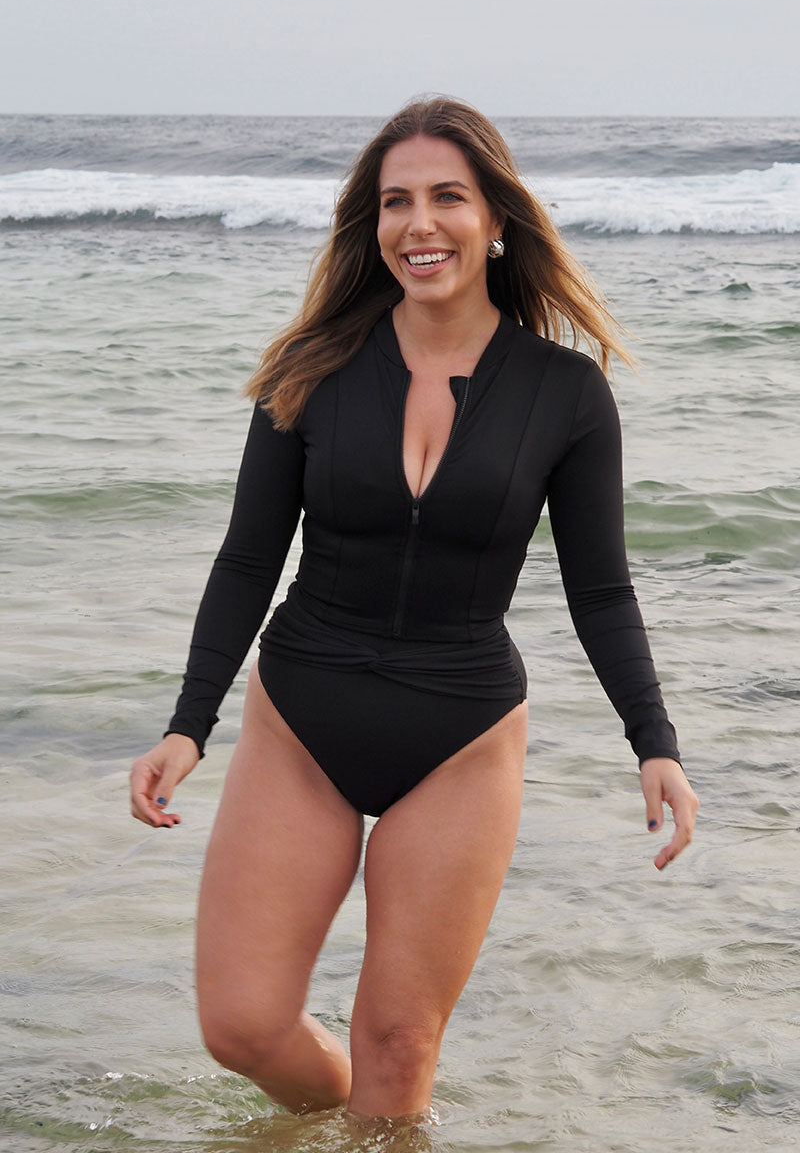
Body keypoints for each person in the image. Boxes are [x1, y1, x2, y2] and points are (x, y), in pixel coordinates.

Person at [129, 97, 699, 1122]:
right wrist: (188, 723)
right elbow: (249, 557)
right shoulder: (309, 368)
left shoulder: (565, 392)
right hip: (302, 712)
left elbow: (600, 587)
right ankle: (326, 1128)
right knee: (242, 1026)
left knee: (398, 1049)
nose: (419, 224)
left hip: (460, 731)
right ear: (373, 222)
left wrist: (652, 741)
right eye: (396, 202)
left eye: (447, 197)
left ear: (496, 219)